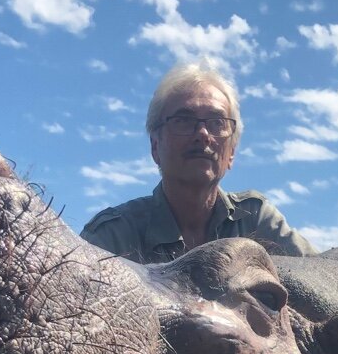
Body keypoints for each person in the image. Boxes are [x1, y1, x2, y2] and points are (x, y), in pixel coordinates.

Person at [80, 63, 316, 264]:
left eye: (217, 122)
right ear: (155, 147)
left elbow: (322, 276)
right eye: (183, 120)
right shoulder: (112, 237)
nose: (203, 134)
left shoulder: (254, 218)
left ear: (231, 152)